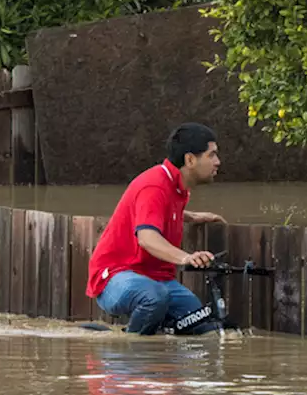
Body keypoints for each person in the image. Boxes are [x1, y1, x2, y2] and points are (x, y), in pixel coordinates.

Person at [86, 122, 226, 335]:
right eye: (211, 155)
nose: (218, 162)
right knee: (153, 297)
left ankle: (157, 345)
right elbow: (147, 238)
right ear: (190, 160)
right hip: (116, 277)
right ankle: (131, 348)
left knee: (198, 321)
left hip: (157, 280)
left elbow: (156, 211)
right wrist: (186, 258)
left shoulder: (176, 186)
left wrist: (190, 216)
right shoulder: (155, 185)